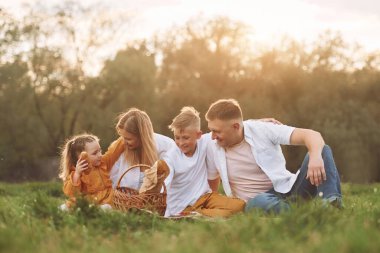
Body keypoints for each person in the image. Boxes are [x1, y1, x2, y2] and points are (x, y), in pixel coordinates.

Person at [205, 99, 342, 214]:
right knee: (256, 203)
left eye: (216, 131)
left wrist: (315, 157)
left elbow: (312, 135)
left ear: (235, 127)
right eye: (211, 130)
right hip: (259, 201)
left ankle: (330, 204)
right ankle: (302, 214)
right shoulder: (212, 143)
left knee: (322, 149)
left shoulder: (262, 129)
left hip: (290, 189)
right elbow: (187, 137)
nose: (212, 136)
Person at [164, 107, 245, 218]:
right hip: (183, 206)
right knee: (227, 214)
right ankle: (189, 215)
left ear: (198, 135)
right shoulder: (171, 157)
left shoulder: (205, 141)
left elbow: (231, 125)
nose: (181, 143)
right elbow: (164, 184)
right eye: (177, 138)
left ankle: (198, 215)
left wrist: (261, 122)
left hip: (205, 198)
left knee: (240, 205)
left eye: (185, 138)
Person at [110, 108, 176, 190]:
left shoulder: (167, 146)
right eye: (123, 137)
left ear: (141, 136)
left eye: (128, 139)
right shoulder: (120, 149)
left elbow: (171, 181)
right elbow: (112, 180)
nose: (124, 142)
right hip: (126, 202)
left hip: (160, 202)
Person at [59, 134, 125, 209]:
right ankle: (83, 210)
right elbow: (71, 192)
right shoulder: (77, 172)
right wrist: (77, 174)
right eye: (94, 153)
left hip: (106, 200)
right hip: (88, 202)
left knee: (107, 207)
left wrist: (124, 137)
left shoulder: (103, 162)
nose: (100, 155)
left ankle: (93, 211)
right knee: (67, 207)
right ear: (81, 157)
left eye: (100, 150)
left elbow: (113, 151)